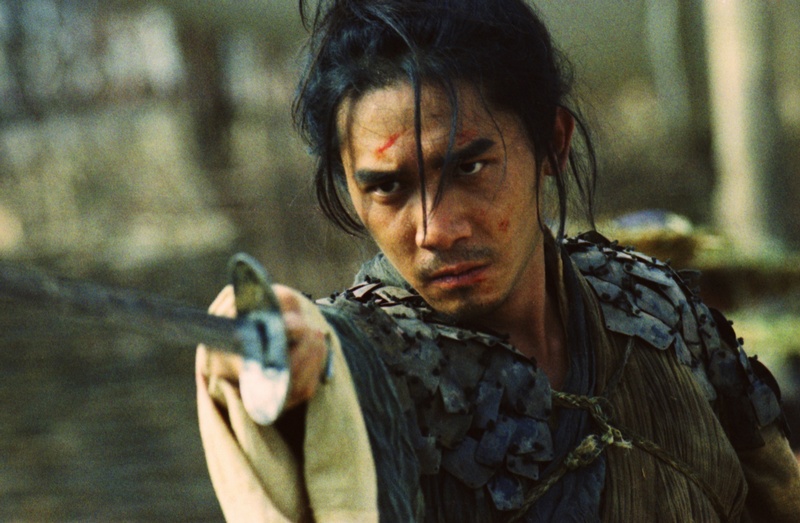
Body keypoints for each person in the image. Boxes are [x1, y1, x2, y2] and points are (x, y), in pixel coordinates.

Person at [195, 0, 800, 521]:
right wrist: (275, 347)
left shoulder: (655, 309)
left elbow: (779, 491)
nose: (435, 230)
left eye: (469, 168)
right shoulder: (364, 365)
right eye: (388, 188)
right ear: (353, 192)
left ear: (552, 144)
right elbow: (322, 356)